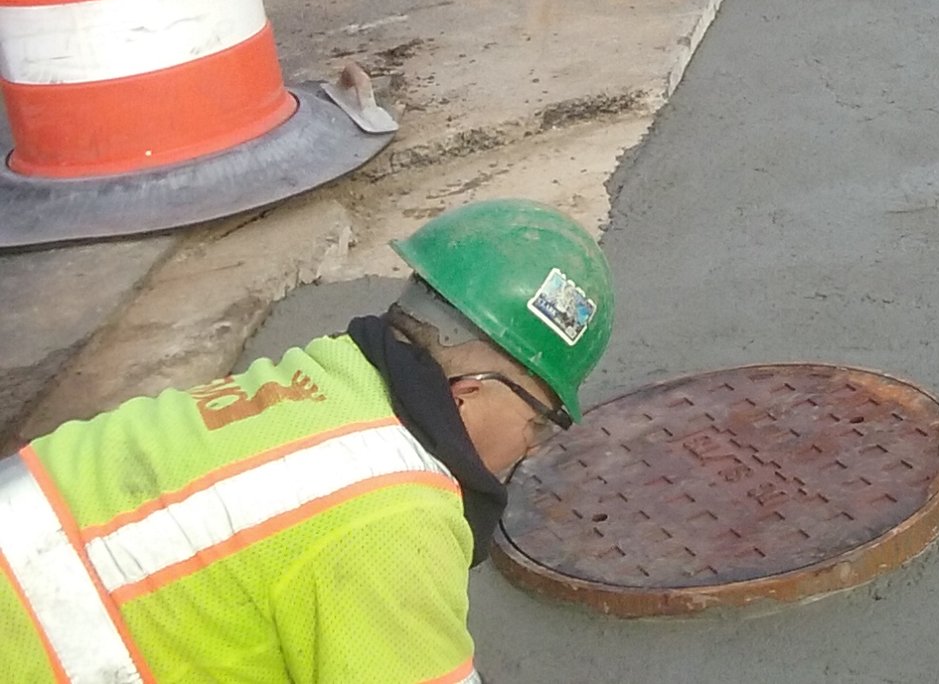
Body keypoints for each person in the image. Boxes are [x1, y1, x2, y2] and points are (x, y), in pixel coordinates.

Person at [0, 199, 612, 684]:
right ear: (471, 390)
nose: (533, 446)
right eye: (541, 417)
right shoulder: (393, 513)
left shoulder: (329, 378)